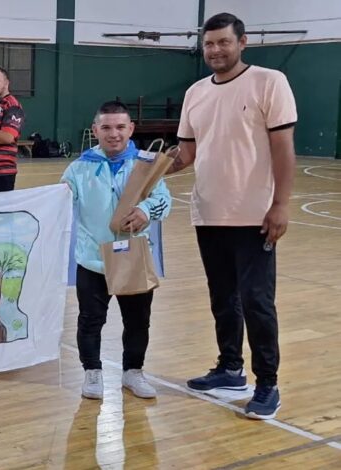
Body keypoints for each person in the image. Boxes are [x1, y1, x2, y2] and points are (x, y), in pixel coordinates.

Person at [169, 13, 297, 420]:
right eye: (209, 44)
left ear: (242, 43)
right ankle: (230, 369)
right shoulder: (195, 92)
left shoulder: (269, 82)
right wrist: (144, 167)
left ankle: (268, 384)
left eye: (224, 42)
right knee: (222, 298)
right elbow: (187, 153)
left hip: (255, 215)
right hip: (208, 214)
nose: (215, 50)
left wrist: (281, 204)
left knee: (256, 301)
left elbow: (283, 148)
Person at [61, 101, 172, 400]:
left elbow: (164, 201)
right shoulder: (79, 168)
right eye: (106, 127)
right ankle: (92, 371)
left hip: (133, 257)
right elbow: (59, 202)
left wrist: (146, 211)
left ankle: (133, 371)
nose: (114, 134)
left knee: (138, 321)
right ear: (95, 130)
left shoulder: (146, 165)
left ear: (131, 129)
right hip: (92, 260)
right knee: (90, 320)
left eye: (121, 127)